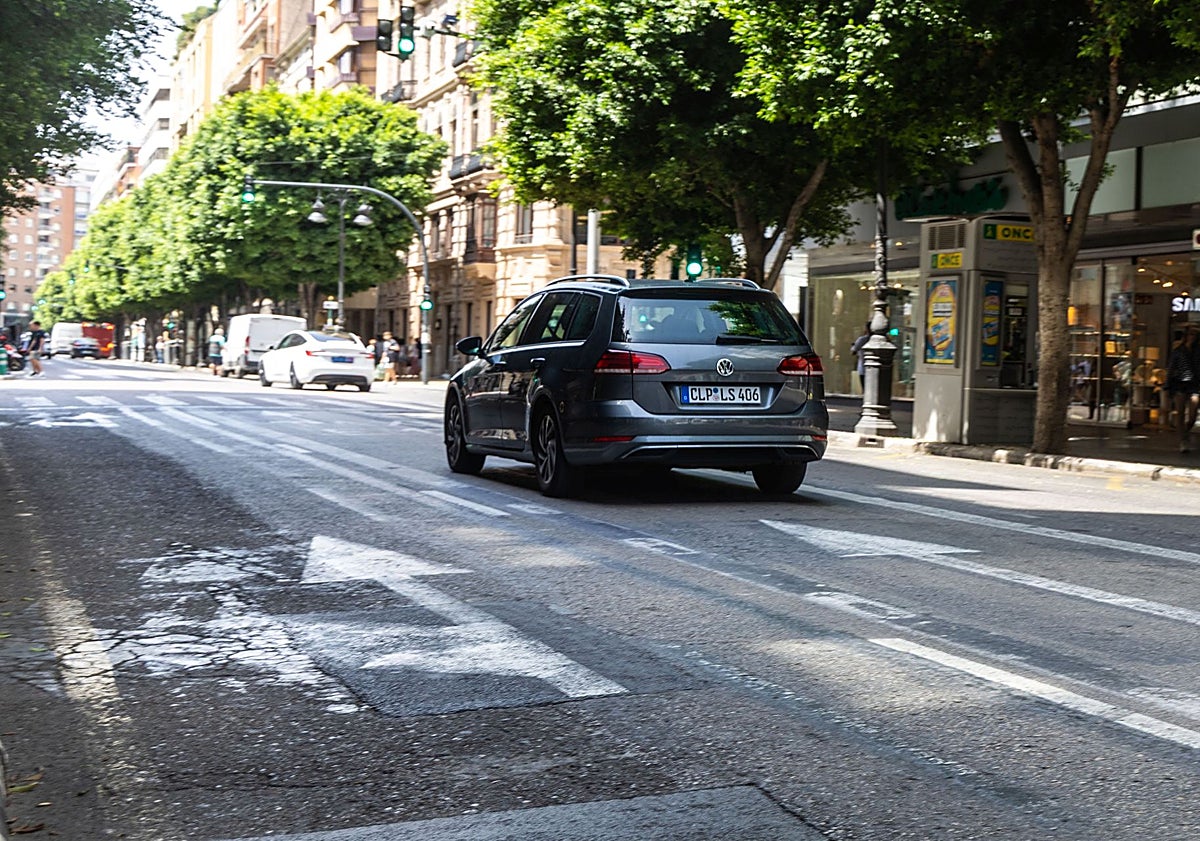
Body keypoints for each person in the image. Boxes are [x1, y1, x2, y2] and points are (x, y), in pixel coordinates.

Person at [1165, 327, 1199, 452]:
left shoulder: (1198, 351)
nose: (1193, 337)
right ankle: (1183, 440)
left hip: (1194, 384)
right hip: (1180, 383)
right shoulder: (1178, 351)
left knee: (1192, 415)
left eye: (1195, 335)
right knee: (1180, 412)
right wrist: (1167, 385)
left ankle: (1185, 431)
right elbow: (1171, 368)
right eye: (1191, 334)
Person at [849, 323, 871, 391]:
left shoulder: (862, 339)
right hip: (876, 369)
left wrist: (853, 346)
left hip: (863, 368)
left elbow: (853, 351)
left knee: (865, 389)